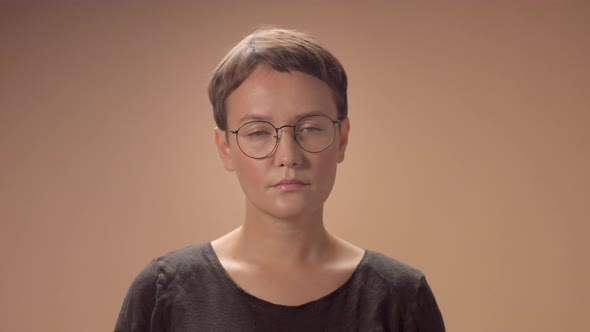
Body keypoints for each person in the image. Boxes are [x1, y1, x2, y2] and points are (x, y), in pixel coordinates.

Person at [114, 27, 445, 332]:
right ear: (225, 147)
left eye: (311, 128)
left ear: (341, 139)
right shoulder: (162, 295)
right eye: (258, 132)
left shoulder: (401, 298)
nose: (288, 155)